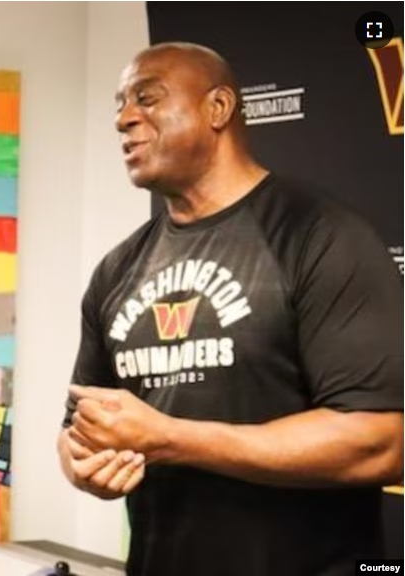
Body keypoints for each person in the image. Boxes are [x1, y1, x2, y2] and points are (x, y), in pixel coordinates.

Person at [57, 42, 403, 576]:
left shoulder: (320, 237)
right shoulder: (117, 268)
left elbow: (379, 442)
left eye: (147, 99)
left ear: (217, 109)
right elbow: (79, 424)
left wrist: (171, 439)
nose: (125, 119)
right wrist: (84, 464)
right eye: (120, 105)